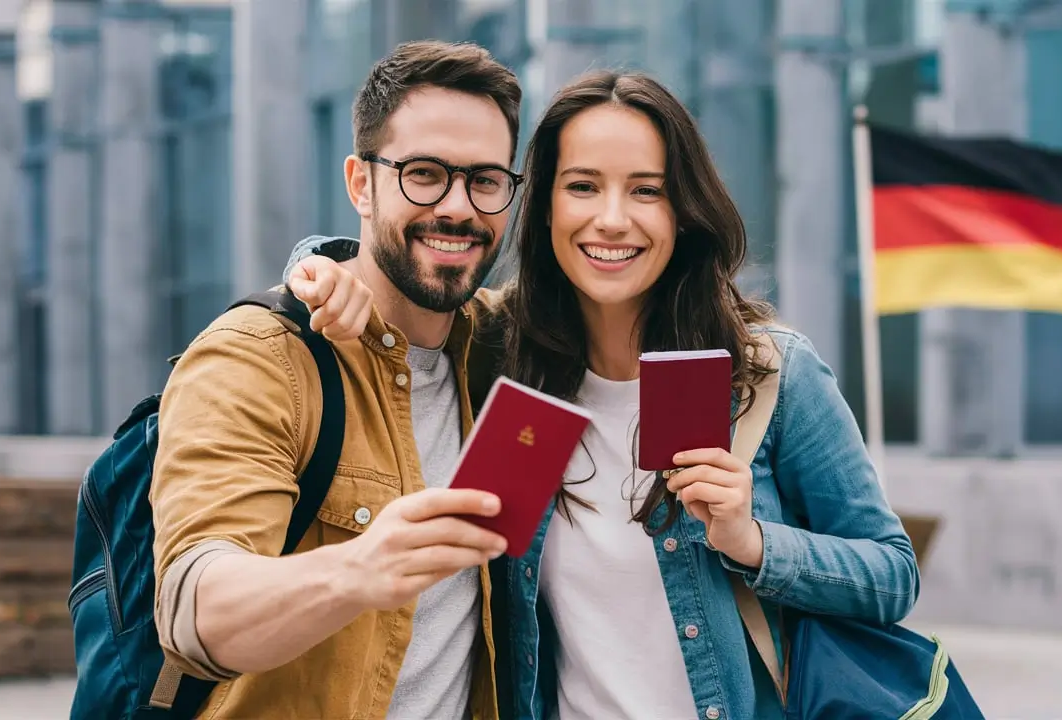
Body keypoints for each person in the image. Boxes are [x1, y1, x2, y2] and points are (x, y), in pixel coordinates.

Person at [290, 70, 920, 720]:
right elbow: (388, 286)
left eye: (646, 190)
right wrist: (313, 269)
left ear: (682, 211)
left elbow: (892, 575)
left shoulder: (768, 373)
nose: (612, 220)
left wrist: (752, 541)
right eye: (583, 186)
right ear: (546, 206)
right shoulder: (503, 353)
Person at [149, 40, 525, 719]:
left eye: (486, 180)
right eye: (424, 173)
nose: (459, 207)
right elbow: (195, 611)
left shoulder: (504, 350)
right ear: (361, 183)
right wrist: (359, 571)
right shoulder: (257, 357)